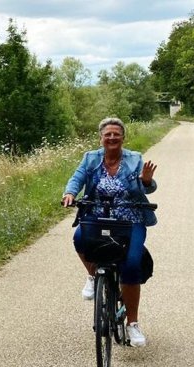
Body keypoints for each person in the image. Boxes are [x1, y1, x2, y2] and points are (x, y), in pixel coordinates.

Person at [61, 117, 157, 347]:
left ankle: (132, 324)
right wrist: (70, 193)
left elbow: (148, 187)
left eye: (116, 134)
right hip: (97, 216)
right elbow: (77, 177)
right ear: (101, 138)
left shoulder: (134, 159)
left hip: (130, 218)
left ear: (123, 137)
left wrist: (146, 182)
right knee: (79, 238)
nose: (112, 137)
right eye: (108, 134)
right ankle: (93, 276)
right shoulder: (91, 158)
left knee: (131, 265)